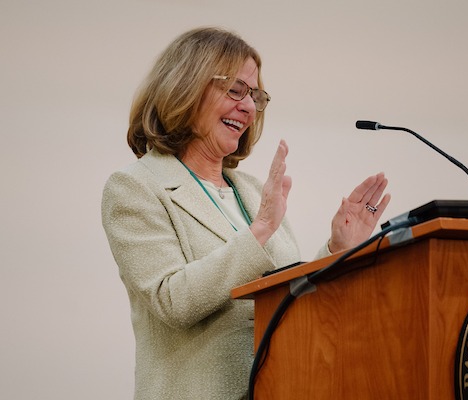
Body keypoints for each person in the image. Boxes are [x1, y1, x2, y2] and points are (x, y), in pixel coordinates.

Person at [101, 27, 391, 400]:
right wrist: (261, 230)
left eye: (255, 96)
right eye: (235, 90)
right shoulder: (135, 187)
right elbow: (171, 300)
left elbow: (288, 300)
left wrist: (337, 251)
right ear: (185, 88)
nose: (250, 107)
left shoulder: (253, 192)